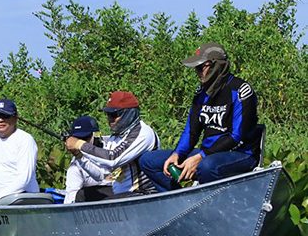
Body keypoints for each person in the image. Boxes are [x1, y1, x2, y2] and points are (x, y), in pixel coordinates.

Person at [139, 42, 259, 192]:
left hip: (239, 154)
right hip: (206, 154)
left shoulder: (240, 90)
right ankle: (179, 201)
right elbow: (191, 131)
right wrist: (177, 154)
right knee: (149, 161)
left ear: (217, 65)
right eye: (196, 68)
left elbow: (236, 136)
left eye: (201, 67)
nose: (198, 72)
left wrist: (200, 157)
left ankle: (213, 207)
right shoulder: (200, 93)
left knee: (206, 167)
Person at [65, 91, 159, 196]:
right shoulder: (115, 137)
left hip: (142, 194)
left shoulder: (143, 133)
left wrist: (79, 144)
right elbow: (101, 174)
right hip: (120, 194)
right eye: (108, 115)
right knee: (81, 195)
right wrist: (79, 156)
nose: (110, 119)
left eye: (114, 115)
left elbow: (113, 158)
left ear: (129, 113)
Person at [58, 115, 113, 203]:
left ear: (95, 135)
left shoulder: (113, 145)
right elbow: (71, 199)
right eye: (78, 139)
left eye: (85, 138)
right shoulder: (75, 167)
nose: (81, 143)